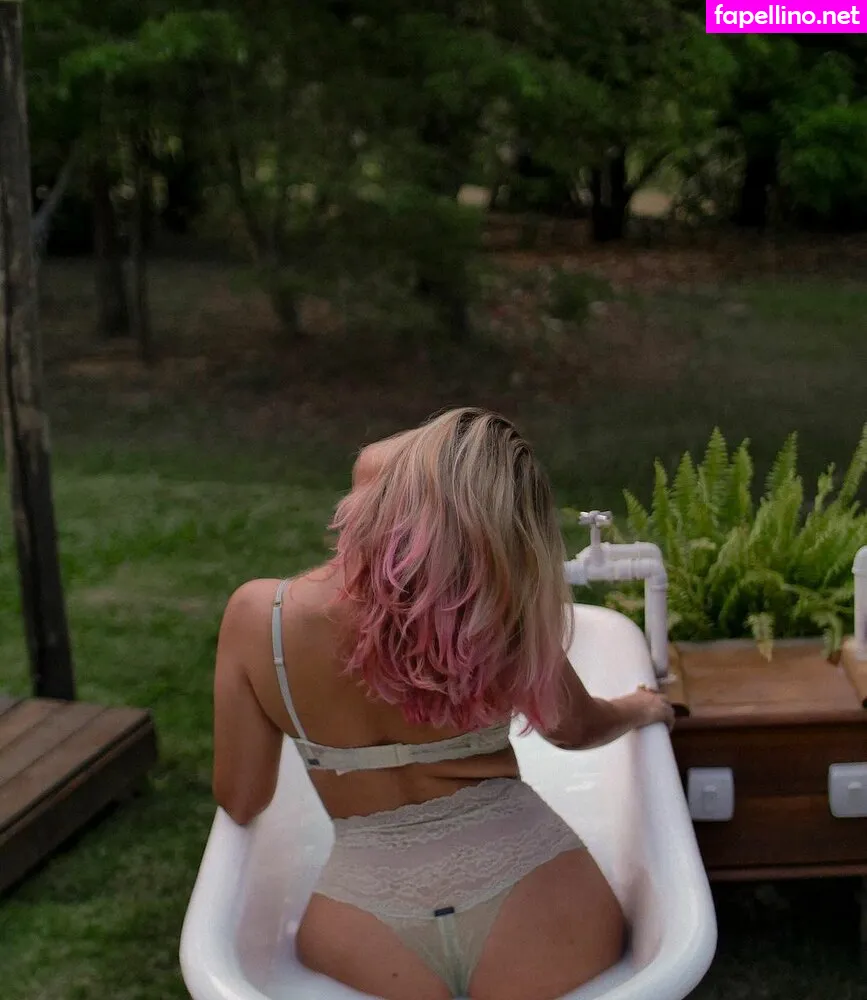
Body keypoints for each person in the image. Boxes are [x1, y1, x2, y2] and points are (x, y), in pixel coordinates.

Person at [212, 407, 675, 1000]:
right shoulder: (492, 610)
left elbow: (243, 799)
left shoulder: (262, 618)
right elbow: (574, 729)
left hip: (363, 932)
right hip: (543, 907)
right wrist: (641, 706)